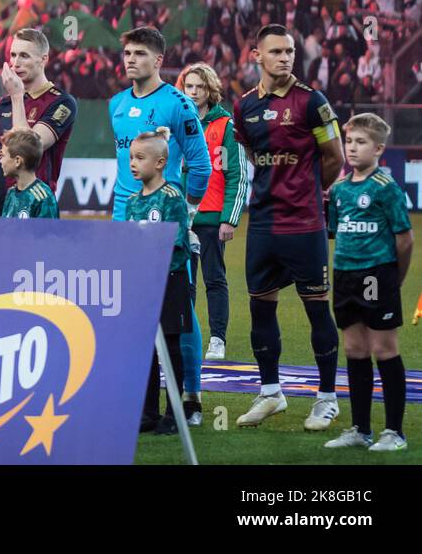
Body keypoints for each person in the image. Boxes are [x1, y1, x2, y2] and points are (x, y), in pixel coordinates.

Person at [233, 24, 346, 431]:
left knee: (317, 310)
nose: (285, 57)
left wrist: (310, 189)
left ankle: (327, 399)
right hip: (262, 222)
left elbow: (334, 156)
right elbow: (251, 151)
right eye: (277, 51)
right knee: (260, 308)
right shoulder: (244, 107)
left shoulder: (312, 102)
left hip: (305, 223)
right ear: (257, 56)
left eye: (290, 51)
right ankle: (270, 393)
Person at [109, 27, 210, 422]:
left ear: (158, 61)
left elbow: (200, 164)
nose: (130, 59)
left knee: (177, 312)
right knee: (136, 313)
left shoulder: (178, 103)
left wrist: (184, 213)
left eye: (139, 53)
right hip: (124, 221)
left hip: (165, 223)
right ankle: (144, 404)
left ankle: (192, 398)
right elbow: (122, 169)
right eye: (127, 53)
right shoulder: (116, 104)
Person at [323, 114, 412, 452]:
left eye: (361, 142)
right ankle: (360, 429)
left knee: (384, 350)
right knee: (354, 350)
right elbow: (336, 234)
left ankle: (394, 432)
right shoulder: (341, 190)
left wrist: (394, 279)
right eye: (349, 142)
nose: (353, 148)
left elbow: (404, 239)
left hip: (377, 275)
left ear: (378, 149)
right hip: (346, 276)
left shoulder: (386, 189)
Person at [177, 63, 247, 362]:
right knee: (184, 281)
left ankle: (217, 339)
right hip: (182, 218)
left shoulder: (226, 126)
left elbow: (236, 176)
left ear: (210, 90)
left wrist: (229, 218)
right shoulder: (176, 125)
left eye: (199, 87)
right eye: (188, 87)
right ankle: (184, 336)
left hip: (211, 217)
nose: (193, 92)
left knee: (215, 279)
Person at [126, 128, 193, 436]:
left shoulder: (172, 197)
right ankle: (147, 412)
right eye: (131, 158)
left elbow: (177, 242)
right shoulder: (131, 201)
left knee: (171, 346)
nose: (133, 164)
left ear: (160, 162)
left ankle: (174, 412)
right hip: (142, 283)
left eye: (140, 158)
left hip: (170, 280)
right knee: (144, 348)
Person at [0, 29, 78, 217]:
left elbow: (28, 147)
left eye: (24, 56)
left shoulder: (62, 102)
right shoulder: (3, 103)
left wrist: (17, 97)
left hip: (33, 208)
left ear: (43, 60)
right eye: (13, 55)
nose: (16, 63)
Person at [0, 129, 59, 220]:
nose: (0, 161)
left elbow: (50, 233)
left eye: (3, 156)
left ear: (18, 161)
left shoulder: (43, 198)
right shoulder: (11, 193)